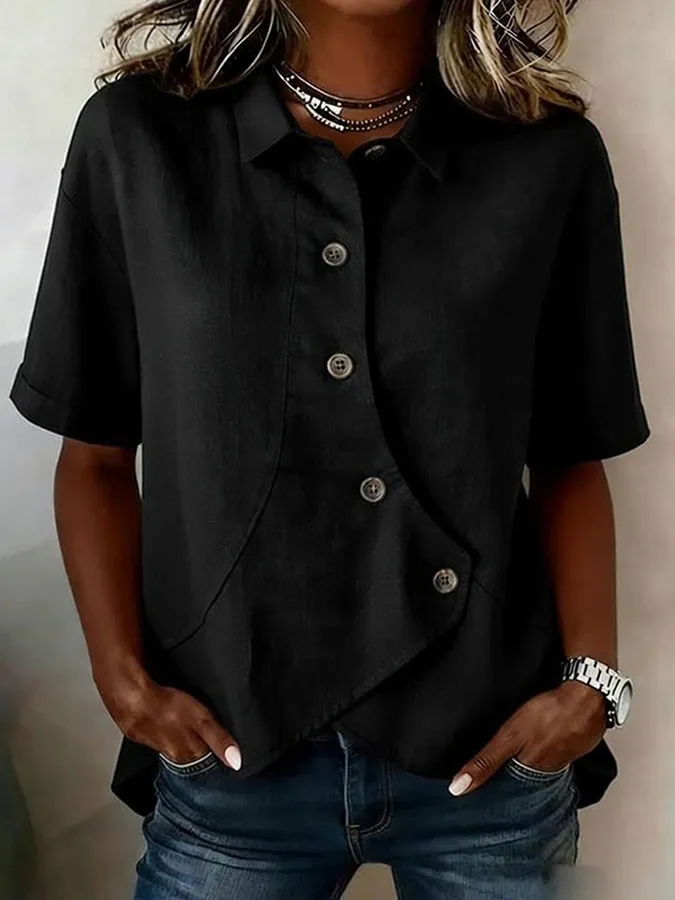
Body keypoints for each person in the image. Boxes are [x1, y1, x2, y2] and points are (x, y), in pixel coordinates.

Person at [9, 0, 650, 897]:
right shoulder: (139, 139)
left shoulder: (547, 157)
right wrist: (123, 684)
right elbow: (95, 456)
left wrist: (590, 689)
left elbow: (571, 457)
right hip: (231, 761)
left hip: (490, 763)